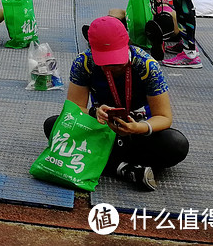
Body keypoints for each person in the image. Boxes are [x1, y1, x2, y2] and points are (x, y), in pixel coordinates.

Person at [47, 16, 188, 190]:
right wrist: (94, 112)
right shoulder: (84, 62)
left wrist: (139, 128)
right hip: (100, 128)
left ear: (127, 45)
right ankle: (123, 168)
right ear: (92, 50)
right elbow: (73, 110)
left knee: (177, 144)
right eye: (104, 63)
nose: (111, 68)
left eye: (116, 62)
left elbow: (164, 117)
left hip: (138, 132)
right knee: (52, 125)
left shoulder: (146, 65)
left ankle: (105, 161)